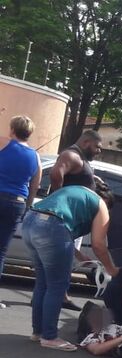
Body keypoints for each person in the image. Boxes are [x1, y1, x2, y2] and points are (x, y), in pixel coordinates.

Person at [22, 183, 119, 351]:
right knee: (57, 285)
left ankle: (38, 332)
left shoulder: (78, 192)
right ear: (107, 202)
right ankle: (49, 337)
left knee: (43, 283)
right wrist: (111, 268)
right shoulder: (101, 205)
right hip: (51, 227)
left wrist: (78, 254)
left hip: (30, 222)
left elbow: (58, 225)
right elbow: (98, 244)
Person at [49, 129, 103, 311]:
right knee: (60, 261)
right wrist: (59, 203)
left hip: (72, 220)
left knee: (65, 260)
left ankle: (57, 295)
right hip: (65, 218)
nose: (99, 150)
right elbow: (56, 175)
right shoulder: (71, 155)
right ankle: (56, 298)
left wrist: (91, 179)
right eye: (97, 146)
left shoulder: (80, 158)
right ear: (86, 142)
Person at [0, 115, 42, 309]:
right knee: (0, 252)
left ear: (12, 129)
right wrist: (27, 206)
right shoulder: (35, 156)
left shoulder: (3, 143)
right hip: (17, 203)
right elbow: (35, 186)